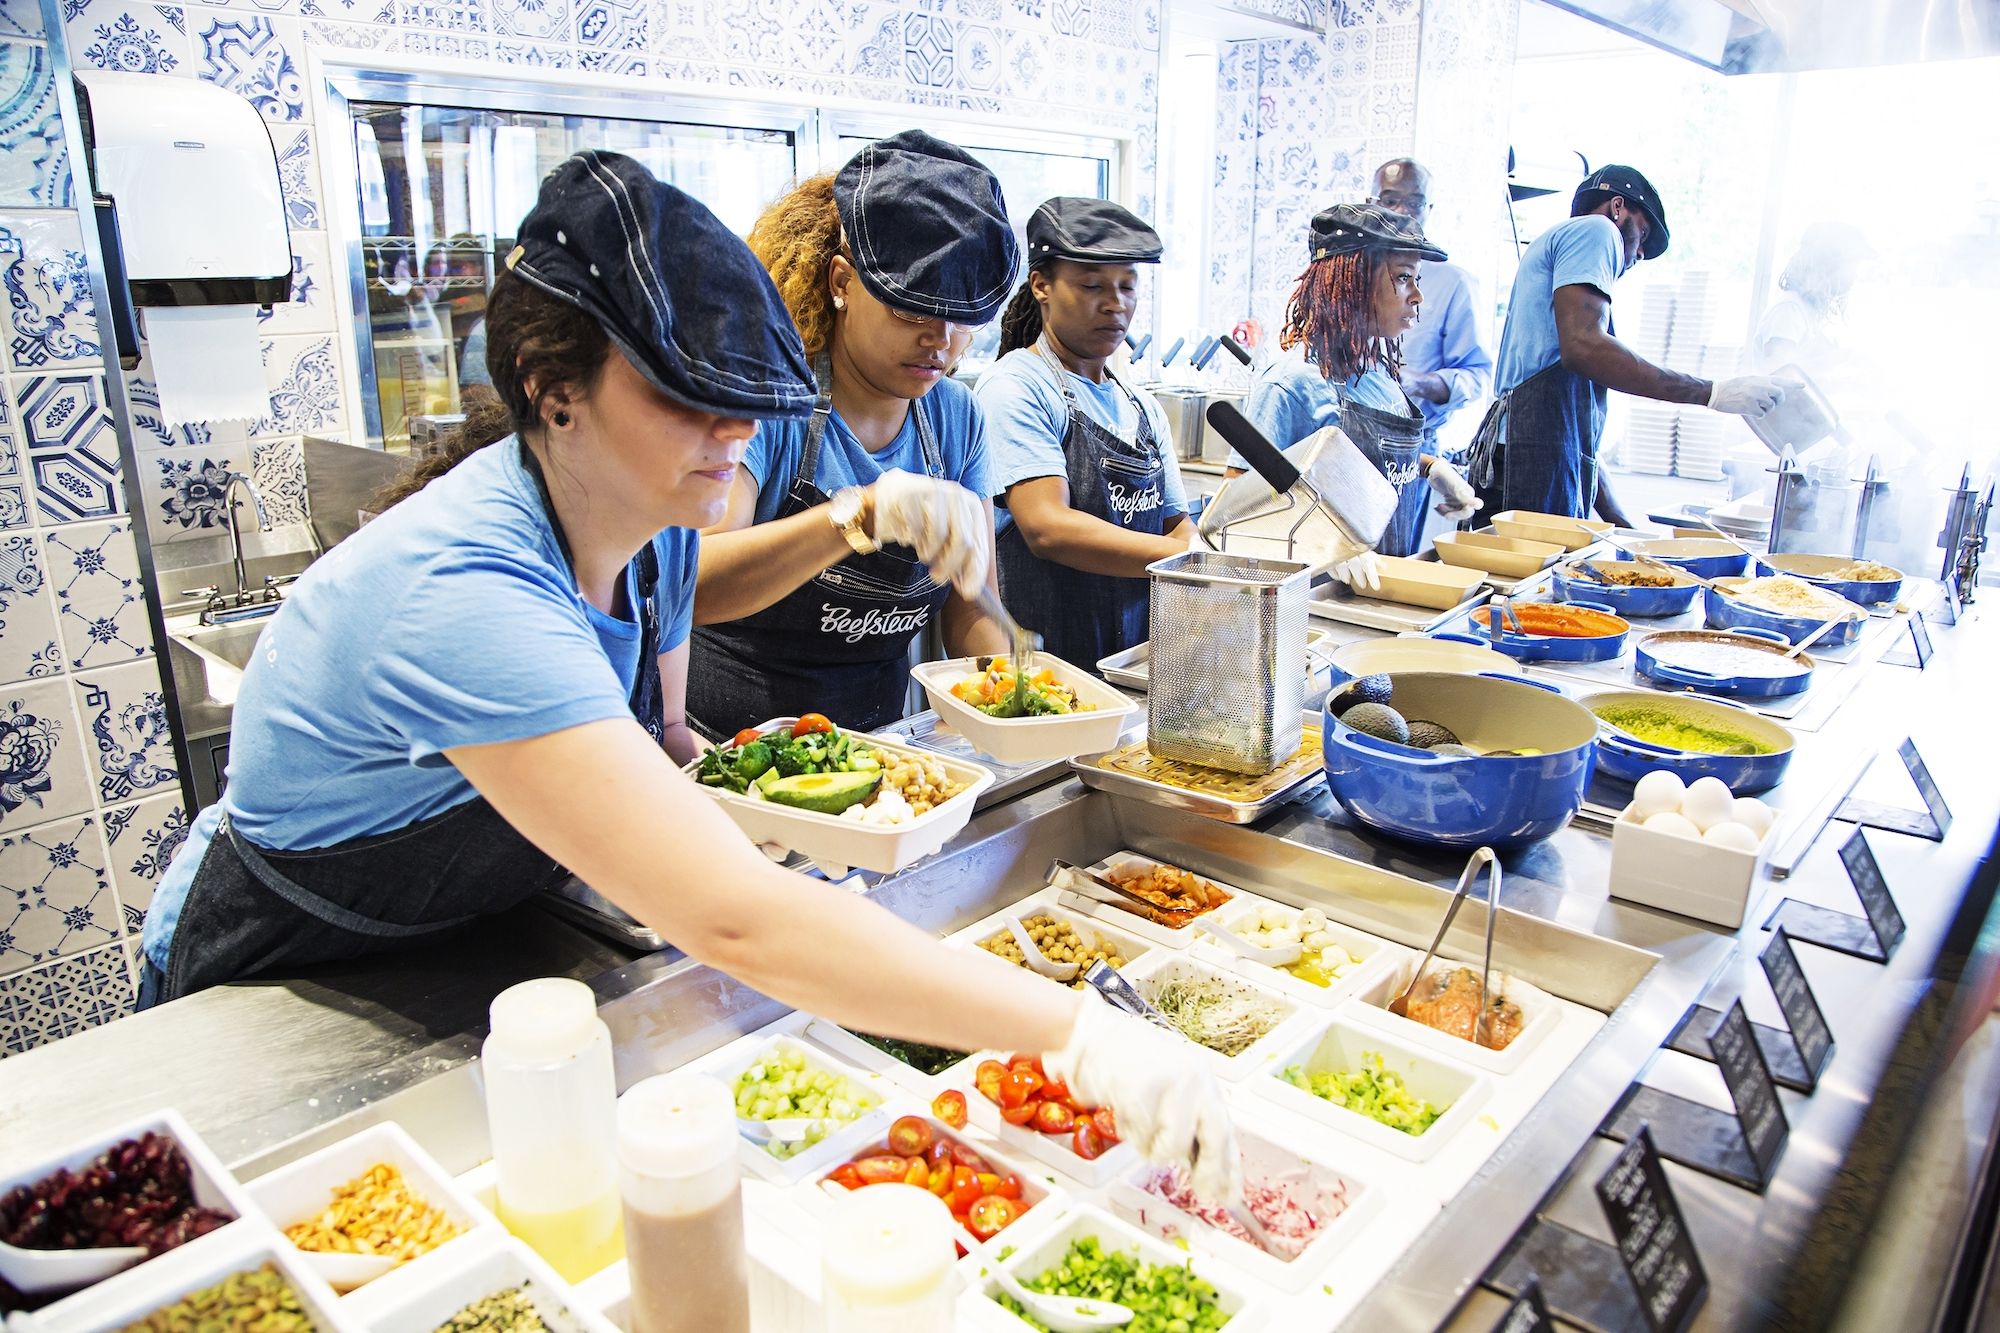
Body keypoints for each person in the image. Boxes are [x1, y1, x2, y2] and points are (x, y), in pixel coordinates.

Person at [136, 151, 1236, 1197]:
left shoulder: (653, 519)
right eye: (684, 398)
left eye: (741, 399)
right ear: (548, 387)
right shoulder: (466, 589)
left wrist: (775, 830)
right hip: (286, 981)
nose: (728, 438)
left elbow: (667, 742)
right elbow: (735, 924)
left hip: (474, 937)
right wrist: (1074, 1034)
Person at [687, 131, 1012, 737]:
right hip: (729, 748)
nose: (939, 340)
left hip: (878, 750)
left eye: (964, 318)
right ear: (841, 283)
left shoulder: (956, 419)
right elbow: (691, 582)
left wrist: (1010, 690)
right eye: (912, 310)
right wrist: (856, 516)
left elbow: (971, 602)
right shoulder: (768, 403)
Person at [1468, 165, 1786, 526]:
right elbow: (1584, 348)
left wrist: (1622, 526)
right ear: (1617, 207)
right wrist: (1712, 393)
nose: (1638, 257)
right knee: (1520, 579)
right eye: (1643, 236)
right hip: (1526, 454)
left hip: (1531, 452)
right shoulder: (1597, 229)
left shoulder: (1572, 262)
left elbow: (1576, 441)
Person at [977, 197, 1191, 668]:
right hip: (1047, 674)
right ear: (1041, 286)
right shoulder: (1018, 387)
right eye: (1092, 285)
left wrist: (1194, 555)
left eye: (1128, 287)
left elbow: (1178, 523)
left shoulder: (1142, 407)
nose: (1116, 305)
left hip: (1138, 664)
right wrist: (1185, 562)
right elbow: (1048, 528)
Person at [1234, 203, 1483, 573]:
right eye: (1402, 278)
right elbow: (1238, 515)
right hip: (1318, 608)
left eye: (1418, 280)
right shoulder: (1292, 386)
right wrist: (1318, 546)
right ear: (1350, 283)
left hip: (1384, 594)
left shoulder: (1380, 375)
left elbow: (1364, 466)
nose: (1417, 297)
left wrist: (1428, 468)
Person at [1367, 159, 1493, 454]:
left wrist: (1416, 384)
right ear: (1371, 204)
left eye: (1415, 203)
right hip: (1349, 434)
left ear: (1429, 210)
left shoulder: (1454, 283)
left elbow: (1475, 376)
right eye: (1390, 200)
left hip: (1414, 443)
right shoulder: (1349, 271)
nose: (1402, 212)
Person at [1753, 221, 1874, 374]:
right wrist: (1836, 359)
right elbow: (1778, 374)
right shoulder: (1788, 311)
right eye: (1851, 265)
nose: (1854, 275)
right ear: (1828, 265)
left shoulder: (1805, 311)